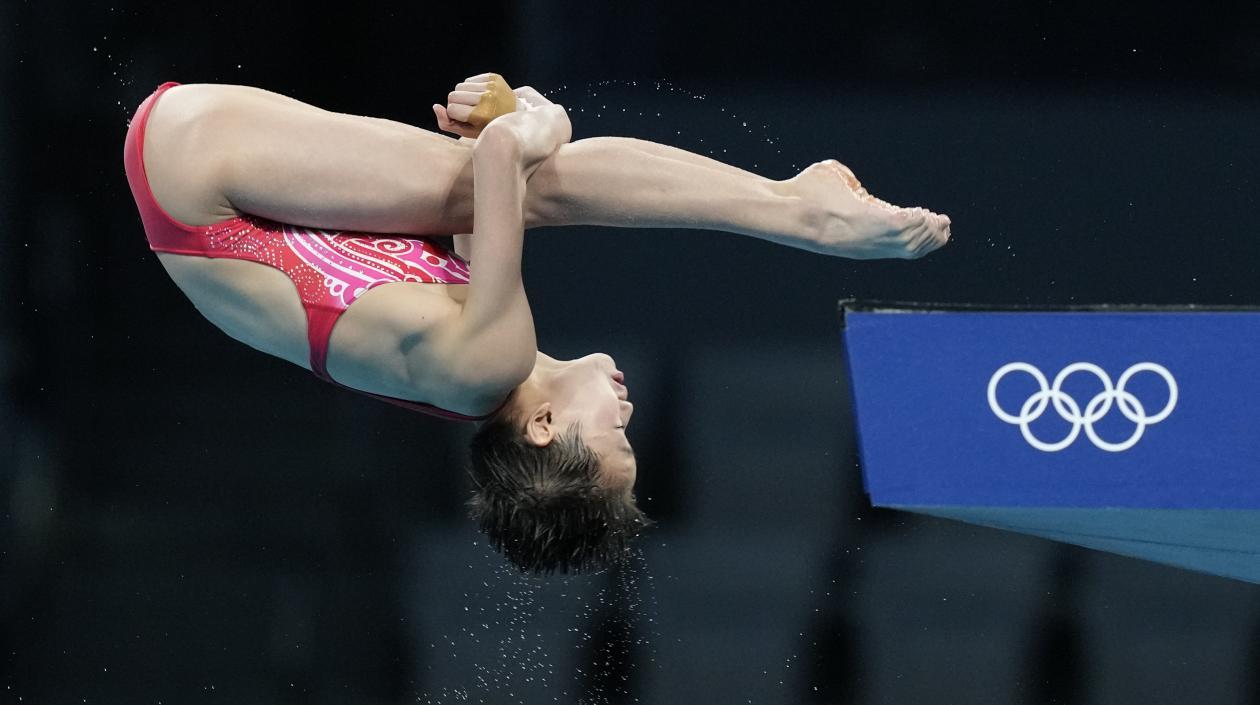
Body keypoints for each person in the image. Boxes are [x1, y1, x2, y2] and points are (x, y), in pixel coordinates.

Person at [122, 74, 951, 574]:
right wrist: (501, 118)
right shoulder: (468, 378)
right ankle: (792, 209)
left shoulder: (492, 363)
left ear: (547, 426)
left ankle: (800, 213)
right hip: (196, 186)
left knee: (537, 177)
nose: (629, 413)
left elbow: (502, 164)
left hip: (198, 181)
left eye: (618, 438)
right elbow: (490, 182)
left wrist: (534, 121)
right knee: (512, 182)